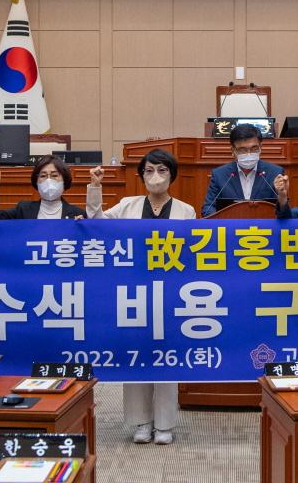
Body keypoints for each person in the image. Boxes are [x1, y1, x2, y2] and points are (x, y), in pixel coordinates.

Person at [87, 150, 194, 446]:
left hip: (170, 292)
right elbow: (95, 221)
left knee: (166, 356)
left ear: (172, 174)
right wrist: (96, 187)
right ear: (141, 175)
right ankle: (141, 422)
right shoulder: (127, 205)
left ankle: (164, 424)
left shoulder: (186, 211)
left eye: (161, 170)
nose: (155, 176)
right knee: (136, 355)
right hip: (133, 291)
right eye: (148, 171)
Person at [201, 124, 284, 216]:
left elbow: (285, 214)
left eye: (254, 148)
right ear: (233, 151)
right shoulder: (219, 175)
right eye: (242, 150)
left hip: (264, 229)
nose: (249, 153)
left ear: (261, 147)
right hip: (230, 228)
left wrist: (282, 196)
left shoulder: (275, 173)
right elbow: (207, 209)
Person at [0, 154, 86, 219]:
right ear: (36, 181)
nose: (49, 180)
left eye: (54, 175)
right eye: (43, 176)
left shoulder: (77, 213)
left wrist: (81, 228)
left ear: (64, 180)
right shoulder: (23, 209)